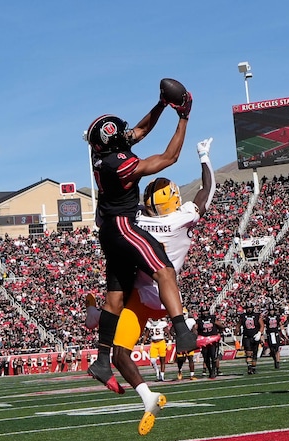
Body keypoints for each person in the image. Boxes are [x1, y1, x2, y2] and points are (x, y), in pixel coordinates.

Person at [85, 136, 216, 435]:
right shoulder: (184, 216)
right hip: (168, 301)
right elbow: (206, 191)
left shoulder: (137, 220)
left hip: (140, 300)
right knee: (151, 271)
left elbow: (104, 217)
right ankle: (150, 395)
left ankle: (97, 323)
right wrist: (204, 157)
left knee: (119, 350)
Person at [84, 84, 196, 394]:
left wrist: (161, 105)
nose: (128, 132)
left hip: (109, 228)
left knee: (115, 299)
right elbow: (170, 157)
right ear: (112, 138)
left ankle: (103, 360)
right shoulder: (119, 166)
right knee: (163, 268)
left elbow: (141, 130)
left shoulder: (104, 153)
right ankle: (182, 330)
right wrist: (183, 117)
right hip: (123, 226)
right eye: (121, 131)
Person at [196, 307, 225, 379]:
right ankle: (209, 370)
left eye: (206, 311)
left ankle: (213, 371)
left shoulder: (212, 318)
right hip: (204, 341)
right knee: (206, 358)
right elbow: (195, 329)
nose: (205, 312)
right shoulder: (199, 320)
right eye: (203, 311)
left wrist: (220, 332)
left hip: (213, 340)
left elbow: (221, 325)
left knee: (213, 356)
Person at [239, 304, 264, 375]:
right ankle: (249, 368)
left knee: (254, 353)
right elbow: (238, 325)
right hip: (247, 336)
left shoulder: (257, 315)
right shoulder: (243, 316)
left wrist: (259, 333)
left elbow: (262, 325)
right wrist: (235, 334)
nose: (249, 309)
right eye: (248, 308)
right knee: (248, 353)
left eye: (250, 308)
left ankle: (253, 368)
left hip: (255, 336)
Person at [176, 307, 198, 381]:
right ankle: (180, 370)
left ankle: (192, 374)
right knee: (180, 359)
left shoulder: (191, 321)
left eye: (184, 314)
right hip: (181, 342)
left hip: (189, 341)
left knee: (190, 358)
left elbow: (194, 330)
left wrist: (194, 337)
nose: (183, 315)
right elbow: (172, 330)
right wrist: (177, 336)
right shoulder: (178, 322)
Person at [144, 317, 169, 382]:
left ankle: (162, 376)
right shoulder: (149, 324)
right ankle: (157, 371)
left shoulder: (162, 323)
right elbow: (146, 334)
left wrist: (169, 341)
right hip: (153, 343)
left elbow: (168, 332)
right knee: (152, 360)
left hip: (161, 342)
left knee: (162, 360)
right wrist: (142, 343)